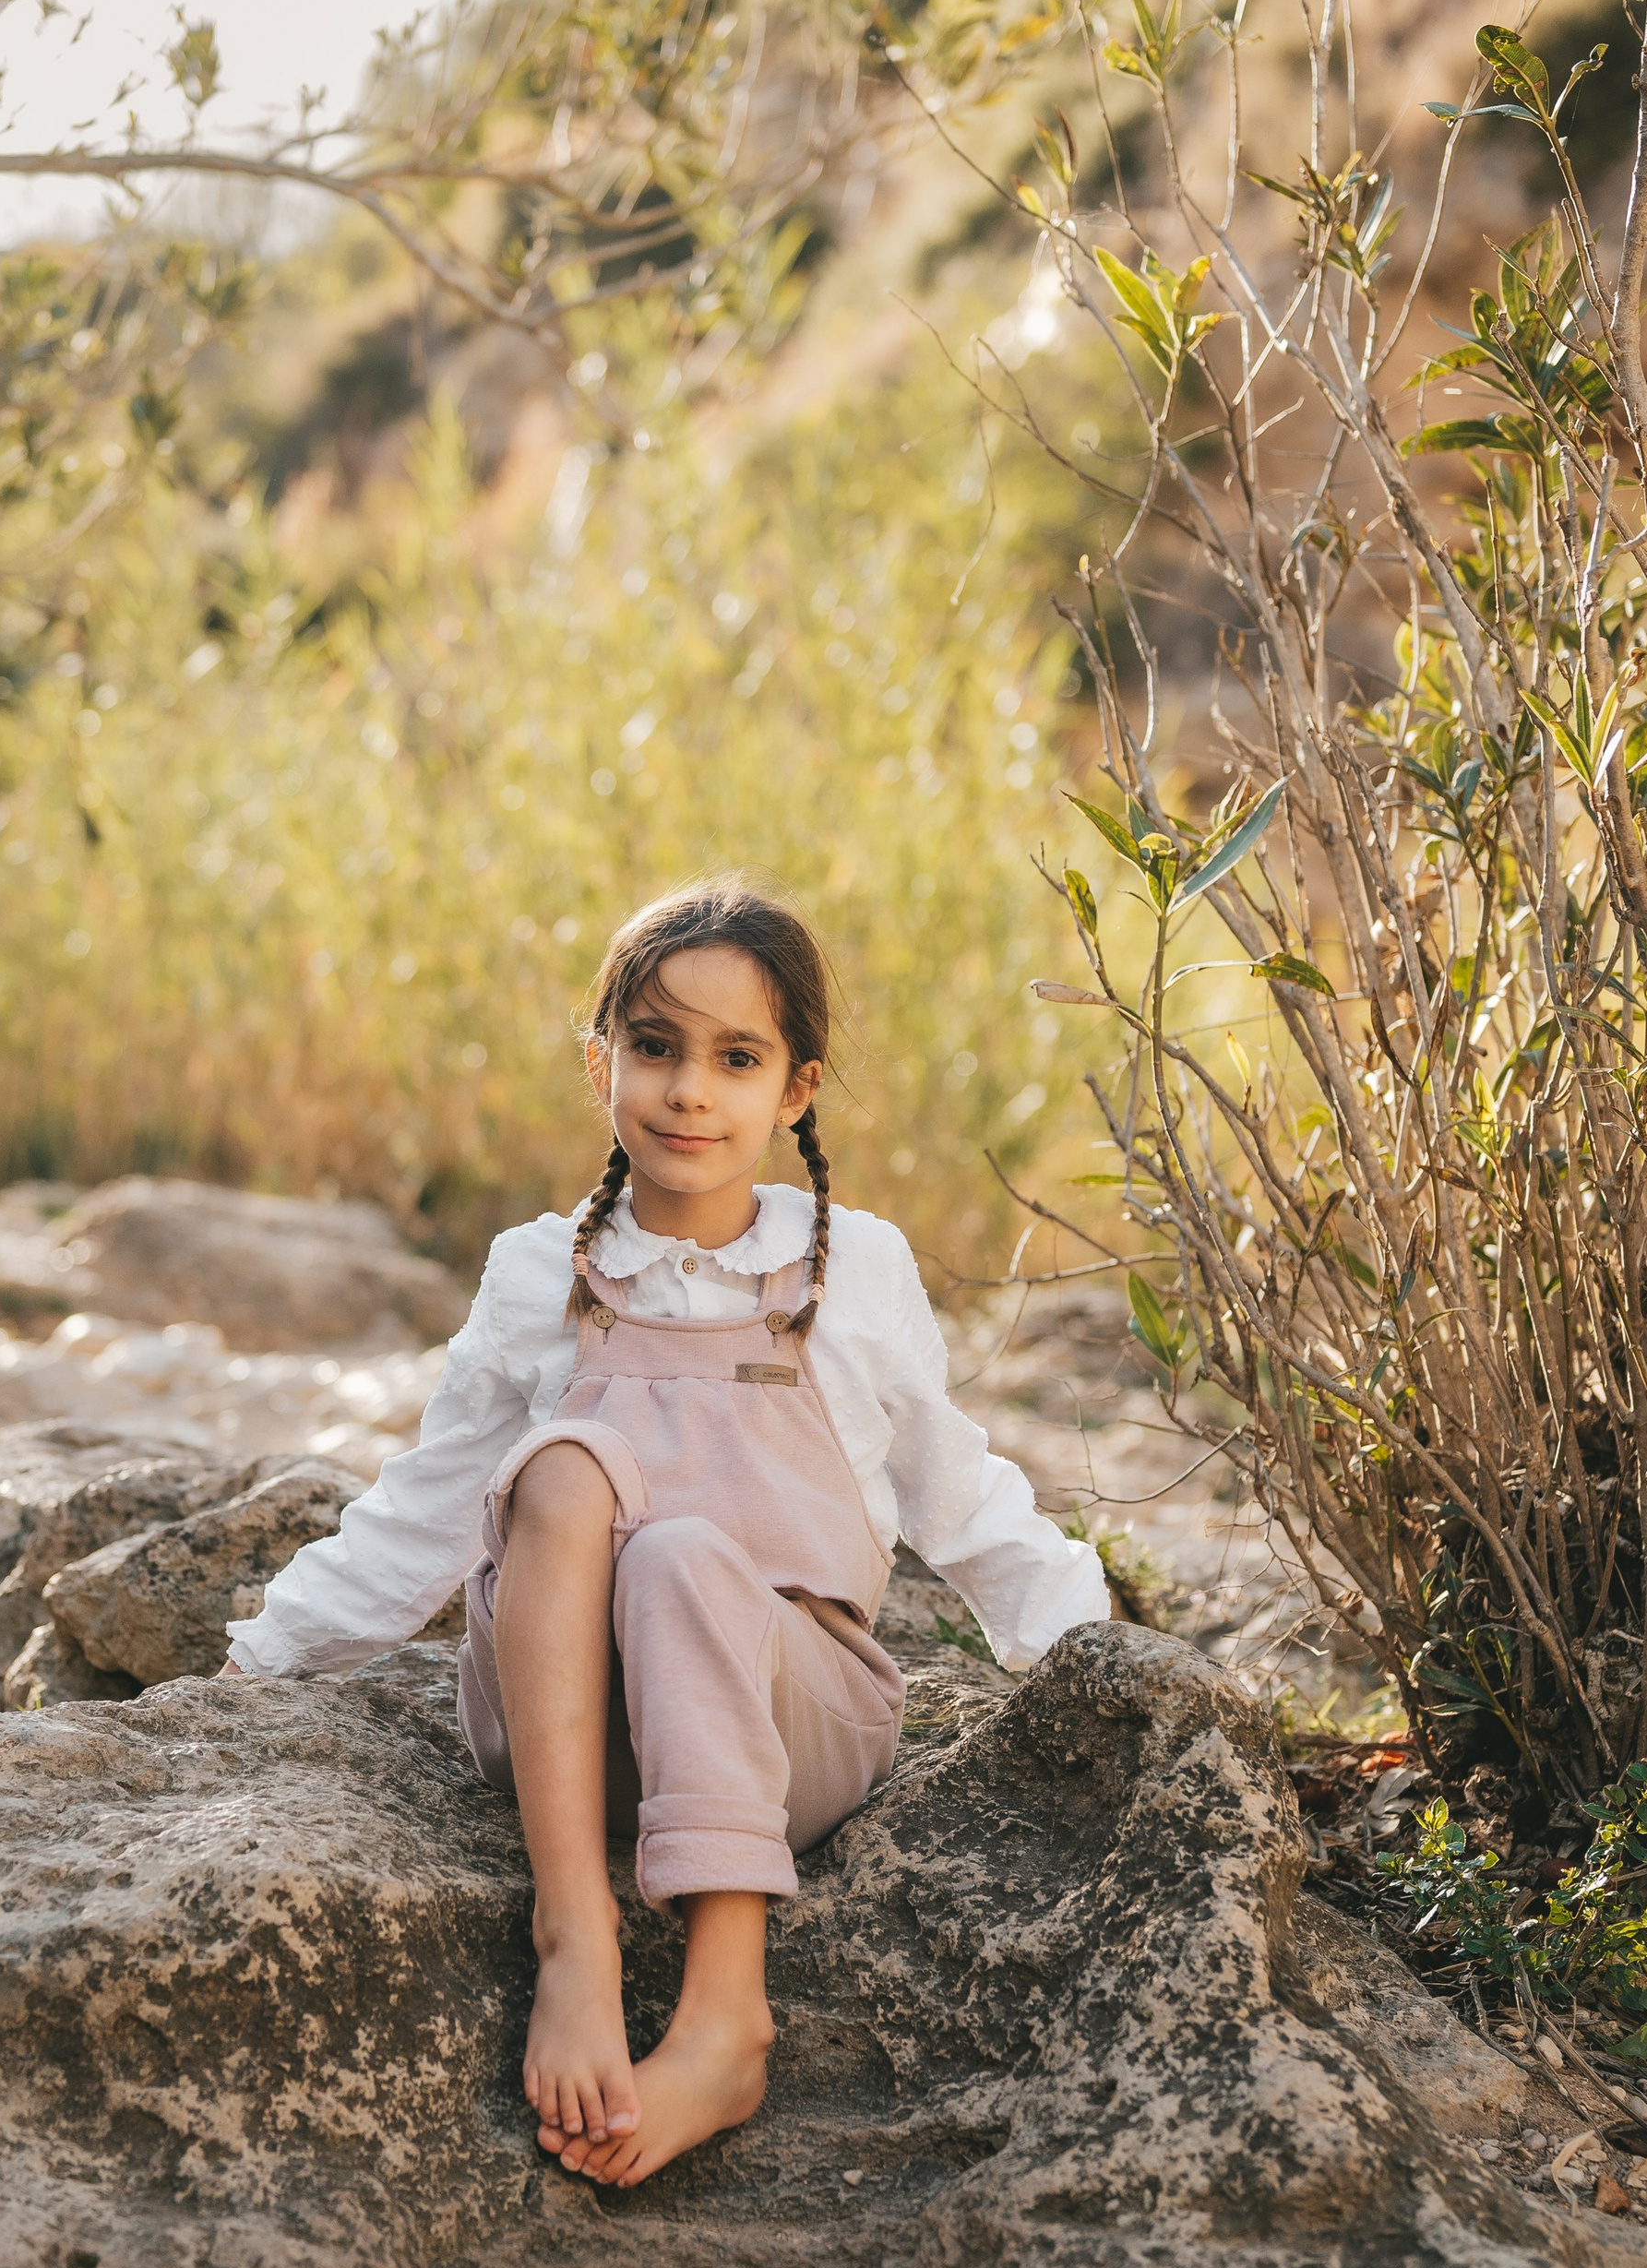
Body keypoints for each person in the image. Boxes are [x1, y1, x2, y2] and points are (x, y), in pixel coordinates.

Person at [223, 876, 1107, 2187]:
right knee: (565, 1469)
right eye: (656, 1048)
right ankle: (572, 1933)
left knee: (687, 1552)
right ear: (602, 1065)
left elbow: (954, 1486)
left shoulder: (850, 1271)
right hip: (571, 1736)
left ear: (795, 1090)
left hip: (781, 1718)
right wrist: (260, 1663)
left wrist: (1094, 1649)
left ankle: (721, 2019)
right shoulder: (543, 1271)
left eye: (736, 1058)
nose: (691, 1091)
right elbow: (429, 1495)